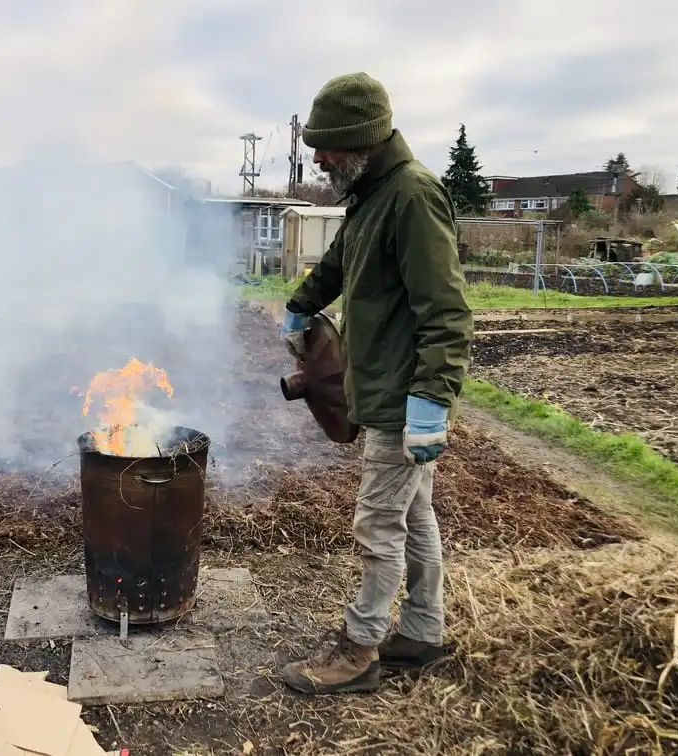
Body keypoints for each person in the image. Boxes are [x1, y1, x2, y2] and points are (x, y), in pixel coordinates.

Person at [279, 72, 474, 695]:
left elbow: (446, 310)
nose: (317, 157)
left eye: (326, 145)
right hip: (385, 392)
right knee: (415, 516)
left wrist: (431, 400)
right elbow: (338, 264)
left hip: (403, 399)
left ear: (360, 140)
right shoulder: (371, 194)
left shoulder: (413, 196)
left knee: (377, 524)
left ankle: (360, 649)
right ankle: (421, 631)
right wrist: (300, 306)